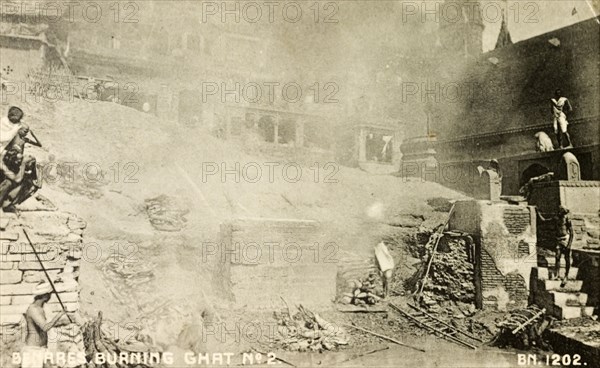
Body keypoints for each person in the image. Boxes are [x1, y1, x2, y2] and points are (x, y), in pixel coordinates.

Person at [22, 282, 72, 368]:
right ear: (45, 296)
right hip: (33, 350)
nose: (50, 296)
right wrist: (60, 314)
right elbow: (45, 327)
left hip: (42, 348)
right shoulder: (34, 310)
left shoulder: (40, 308)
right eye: (49, 294)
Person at [537, 206, 573, 286]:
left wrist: (569, 244)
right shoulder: (556, 218)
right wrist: (538, 213)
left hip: (566, 239)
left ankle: (566, 276)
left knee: (567, 258)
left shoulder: (567, 219)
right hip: (558, 239)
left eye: (561, 212)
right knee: (557, 256)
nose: (559, 213)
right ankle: (557, 274)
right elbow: (545, 221)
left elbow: (571, 233)